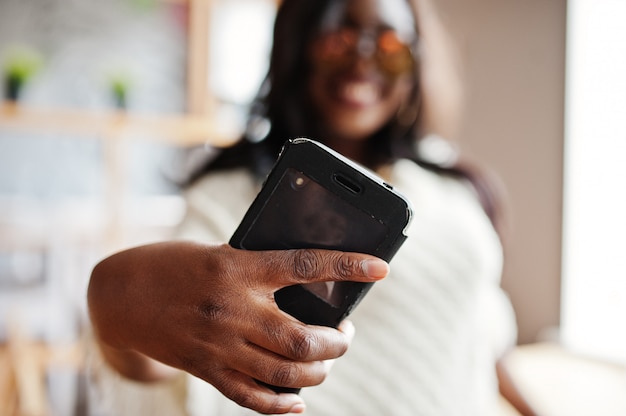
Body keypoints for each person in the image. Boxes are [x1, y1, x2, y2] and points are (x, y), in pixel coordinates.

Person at [87, 0, 537, 415]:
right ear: (297, 48)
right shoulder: (229, 196)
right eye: (337, 39)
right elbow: (168, 354)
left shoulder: (457, 189)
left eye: (389, 45)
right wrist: (116, 304)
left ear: (416, 62)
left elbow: (478, 342)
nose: (362, 63)